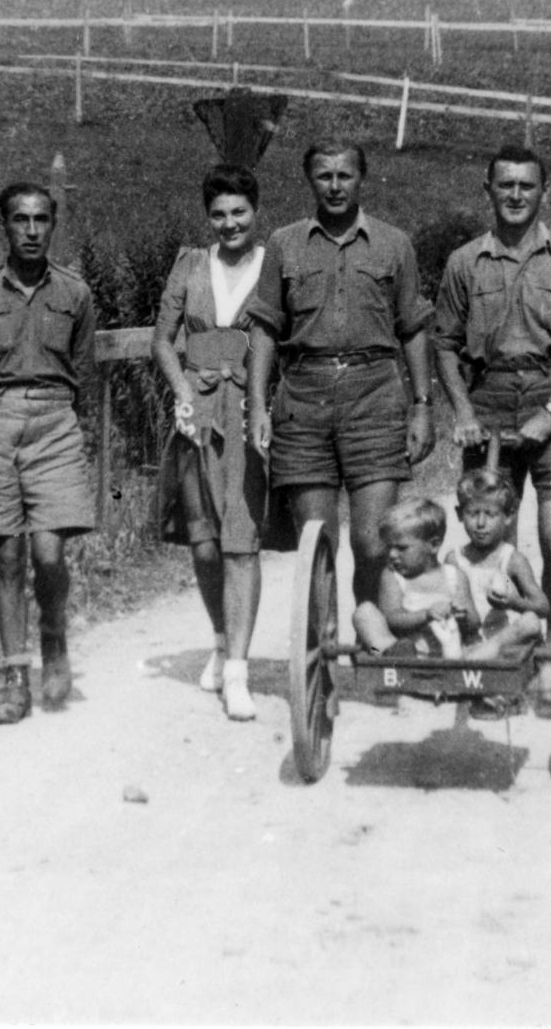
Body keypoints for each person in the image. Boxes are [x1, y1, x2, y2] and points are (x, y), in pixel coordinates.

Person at [432, 144, 551, 711]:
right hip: (488, 401)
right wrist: (461, 411)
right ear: (488, 190)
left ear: (543, 193)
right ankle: (497, 656)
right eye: (504, 185)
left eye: (526, 186)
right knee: (490, 541)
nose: (515, 196)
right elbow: (443, 344)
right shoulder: (465, 262)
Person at [245, 141, 436, 609]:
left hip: (375, 397)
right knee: (318, 545)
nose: (334, 186)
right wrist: (256, 407)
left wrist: (422, 407)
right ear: (310, 181)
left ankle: (371, 636)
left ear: (361, 178)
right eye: (324, 176)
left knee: (373, 543)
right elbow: (266, 328)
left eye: (344, 175)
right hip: (304, 401)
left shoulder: (394, 244)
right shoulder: (284, 244)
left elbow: (412, 329)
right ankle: (324, 655)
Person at [0, 181, 98, 727]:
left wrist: (56, 416)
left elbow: (85, 371)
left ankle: (53, 637)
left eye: (40, 221)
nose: (31, 231)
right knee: (6, 556)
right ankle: (14, 677)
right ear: (4, 225)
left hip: (55, 422)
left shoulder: (75, 294)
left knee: (49, 555)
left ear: (53, 225)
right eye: (20, 221)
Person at [152, 163, 288, 722]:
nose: (230, 224)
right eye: (219, 214)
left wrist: (267, 404)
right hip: (197, 413)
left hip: (248, 411)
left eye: (239, 213)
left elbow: (282, 340)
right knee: (204, 543)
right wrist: (182, 389)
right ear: (207, 217)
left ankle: (238, 670)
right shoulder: (190, 265)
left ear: (255, 213)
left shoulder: (272, 267)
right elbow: (162, 341)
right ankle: (218, 635)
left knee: (241, 541)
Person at [447, 467, 549, 665]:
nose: (481, 523)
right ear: (460, 514)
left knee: (530, 622)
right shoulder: (454, 559)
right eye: (472, 513)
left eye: (491, 515)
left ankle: (477, 660)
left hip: (506, 644)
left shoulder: (512, 559)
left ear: (508, 516)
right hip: (467, 641)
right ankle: (473, 659)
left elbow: (543, 607)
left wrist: (514, 602)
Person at [351, 498, 473, 659]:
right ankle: (389, 651)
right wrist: (426, 615)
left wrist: (463, 616)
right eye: (389, 547)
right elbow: (392, 618)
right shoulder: (393, 577)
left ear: (433, 545)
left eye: (401, 548)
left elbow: (474, 622)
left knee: (476, 645)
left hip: (450, 655)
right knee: (364, 612)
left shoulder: (454, 576)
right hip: (402, 655)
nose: (392, 555)